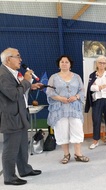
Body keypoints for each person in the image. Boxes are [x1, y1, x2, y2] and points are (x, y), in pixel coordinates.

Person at [0, 48, 44, 185]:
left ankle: (24, 169)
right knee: (11, 148)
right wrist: (26, 81)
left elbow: (18, 89)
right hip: (11, 117)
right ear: (8, 59)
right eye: (17, 56)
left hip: (21, 114)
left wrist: (30, 86)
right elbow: (13, 94)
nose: (20, 59)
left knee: (22, 145)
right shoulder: (2, 74)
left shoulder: (11, 73)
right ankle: (9, 177)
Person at [46, 55, 89, 164]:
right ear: (59, 64)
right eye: (62, 62)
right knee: (62, 130)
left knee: (77, 129)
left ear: (70, 64)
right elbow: (49, 92)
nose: (64, 63)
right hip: (60, 110)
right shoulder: (53, 77)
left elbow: (82, 91)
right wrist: (60, 98)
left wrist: (76, 97)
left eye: (66, 62)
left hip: (75, 109)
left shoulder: (77, 77)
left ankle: (78, 154)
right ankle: (66, 154)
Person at [85, 55, 106, 149]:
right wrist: (99, 87)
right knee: (96, 120)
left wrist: (98, 87)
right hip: (97, 101)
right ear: (97, 64)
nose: (102, 64)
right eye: (100, 62)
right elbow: (91, 88)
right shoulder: (92, 75)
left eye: (104, 63)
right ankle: (95, 141)